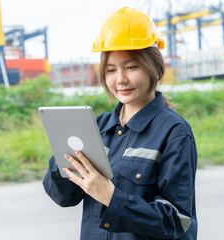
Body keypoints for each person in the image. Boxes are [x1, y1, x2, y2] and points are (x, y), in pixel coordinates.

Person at [43, 6, 197, 240]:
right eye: (111, 69)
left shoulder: (174, 132)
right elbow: (64, 197)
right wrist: (61, 157)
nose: (121, 79)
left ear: (154, 67)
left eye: (131, 67)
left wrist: (110, 197)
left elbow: (177, 220)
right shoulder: (98, 128)